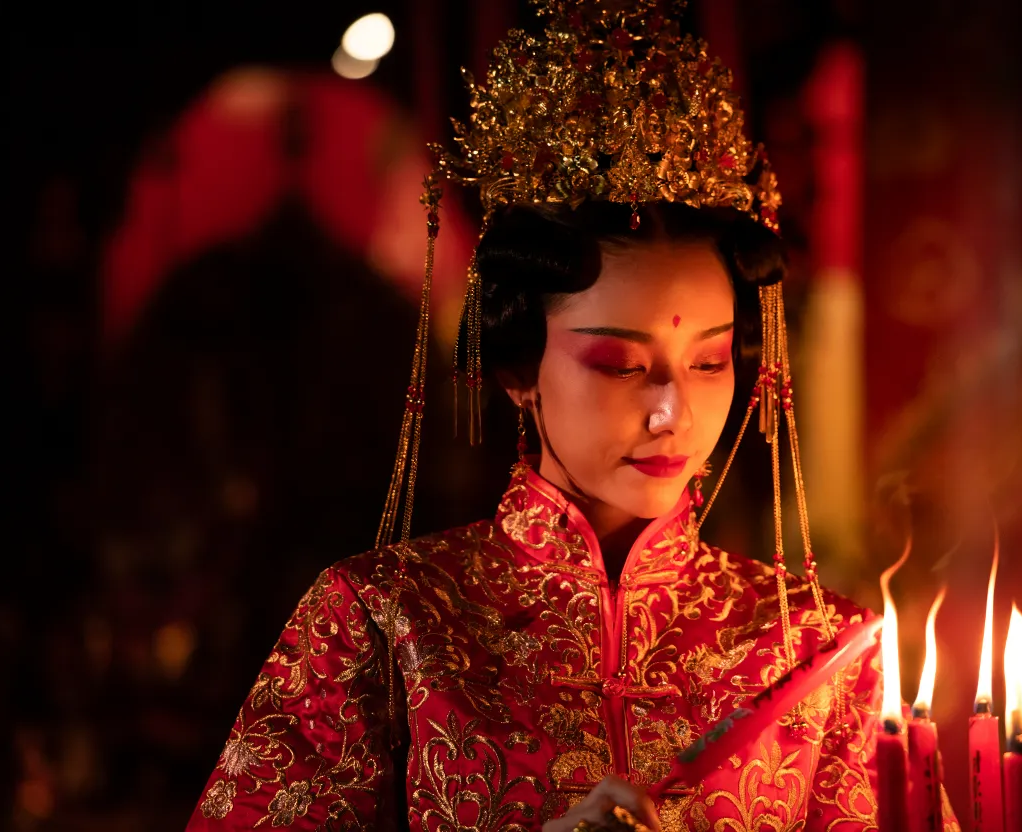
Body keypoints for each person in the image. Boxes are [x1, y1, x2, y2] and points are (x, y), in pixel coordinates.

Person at [188, 2, 955, 830]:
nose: (673, 411)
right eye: (621, 364)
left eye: (708, 362)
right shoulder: (381, 620)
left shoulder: (816, 650)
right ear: (519, 367)